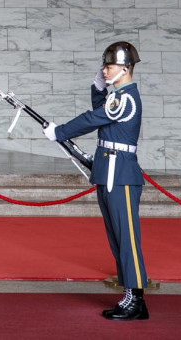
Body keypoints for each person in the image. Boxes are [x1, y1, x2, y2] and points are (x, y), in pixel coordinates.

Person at [44, 41, 149, 321]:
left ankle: (136, 300)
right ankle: (129, 296)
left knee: (127, 239)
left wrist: (61, 132)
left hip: (122, 175)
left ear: (125, 69)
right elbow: (102, 110)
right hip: (109, 172)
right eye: (104, 65)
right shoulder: (117, 97)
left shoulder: (126, 98)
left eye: (109, 65)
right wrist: (97, 87)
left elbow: (95, 117)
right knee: (117, 239)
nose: (104, 69)